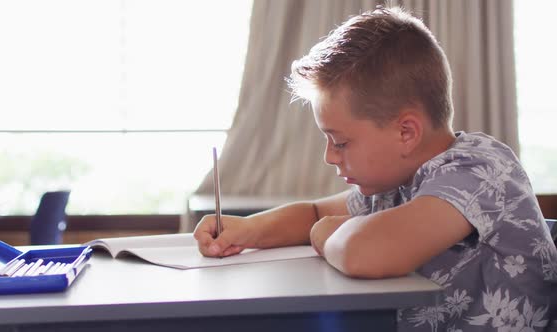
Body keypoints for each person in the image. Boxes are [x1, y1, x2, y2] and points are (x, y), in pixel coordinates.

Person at [193, 6, 557, 332]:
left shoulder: (477, 170)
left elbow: (364, 252)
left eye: (341, 142)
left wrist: (324, 234)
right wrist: (245, 230)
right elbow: (315, 213)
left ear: (405, 132)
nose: (330, 157)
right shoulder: (400, 179)